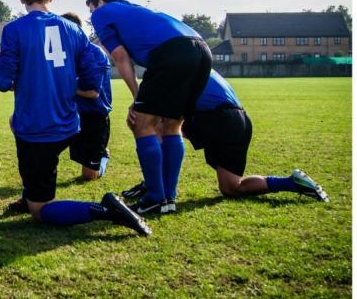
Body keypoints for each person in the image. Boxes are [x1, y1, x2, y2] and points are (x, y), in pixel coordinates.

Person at [0, 0, 150, 236]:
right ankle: (31, 191)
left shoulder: (13, 30)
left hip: (37, 128)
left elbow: (2, 81)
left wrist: (23, 77)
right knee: (23, 136)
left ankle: (105, 209)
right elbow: (93, 78)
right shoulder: (74, 30)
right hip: (69, 123)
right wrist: (66, 84)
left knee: (40, 211)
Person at [87, 0, 211, 215]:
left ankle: (155, 197)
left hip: (172, 52)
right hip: (201, 49)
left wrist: (137, 97)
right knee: (172, 125)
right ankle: (168, 198)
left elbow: (121, 57)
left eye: (91, 9)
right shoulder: (134, 10)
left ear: (100, 3)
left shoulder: (103, 12)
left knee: (141, 123)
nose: (92, 15)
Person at [123, 71, 329, 203]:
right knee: (232, 188)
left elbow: (160, 112)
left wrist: (137, 110)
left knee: (151, 126)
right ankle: (290, 183)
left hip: (217, 117)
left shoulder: (173, 65)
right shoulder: (195, 60)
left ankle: (154, 187)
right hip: (240, 120)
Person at [61, 12, 111, 181]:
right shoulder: (63, 53)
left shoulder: (94, 54)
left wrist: (65, 88)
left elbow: (92, 93)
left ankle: (103, 157)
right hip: (71, 113)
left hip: (94, 116)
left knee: (89, 176)